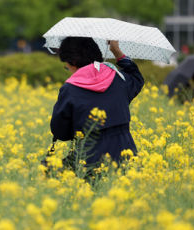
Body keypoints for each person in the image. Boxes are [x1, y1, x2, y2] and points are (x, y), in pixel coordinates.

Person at [50, 37, 144, 166]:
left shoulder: (70, 89)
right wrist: (116, 51)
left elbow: (60, 132)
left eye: (68, 68)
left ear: (73, 62)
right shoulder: (119, 78)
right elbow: (136, 77)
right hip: (127, 158)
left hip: (89, 159)